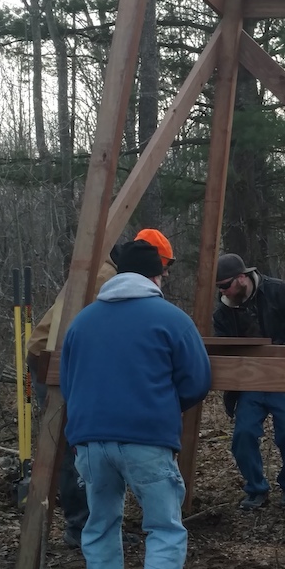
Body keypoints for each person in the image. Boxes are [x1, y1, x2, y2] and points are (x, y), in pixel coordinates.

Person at [59, 240, 212, 569]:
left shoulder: (82, 321)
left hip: (90, 440)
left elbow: (69, 383)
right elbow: (197, 381)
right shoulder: (171, 319)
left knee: (100, 522)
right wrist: (160, 407)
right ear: (156, 275)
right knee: (164, 527)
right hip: (146, 439)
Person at [26, 227, 176, 549]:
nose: (162, 274)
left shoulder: (112, 273)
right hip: (50, 359)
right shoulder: (105, 278)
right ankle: (80, 527)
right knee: (72, 442)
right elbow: (101, 332)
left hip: (65, 355)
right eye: (161, 266)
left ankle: (92, 522)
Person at [212, 252, 285, 511]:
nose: (223, 291)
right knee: (243, 435)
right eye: (219, 287)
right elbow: (224, 346)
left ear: (242, 278)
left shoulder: (278, 291)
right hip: (249, 382)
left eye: (226, 285)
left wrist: (279, 355)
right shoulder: (223, 310)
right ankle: (255, 487)